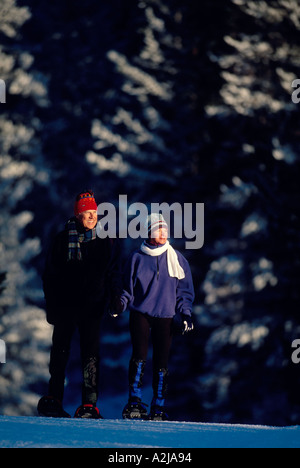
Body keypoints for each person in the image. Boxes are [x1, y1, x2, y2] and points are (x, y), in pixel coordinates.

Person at [37, 190, 121, 419]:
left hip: (92, 307)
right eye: (87, 212)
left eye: (94, 212)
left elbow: (113, 273)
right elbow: (50, 275)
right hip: (64, 306)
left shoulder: (105, 242)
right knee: (60, 353)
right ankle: (54, 398)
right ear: (77, 215)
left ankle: (89, 405)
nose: (92, 216)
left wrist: (115, 298)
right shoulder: (62, 240)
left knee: (91, 355)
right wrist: (51, 305)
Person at [117, 213, 195, 421]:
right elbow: (127, 290)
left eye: (165, 229)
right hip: (140, 313)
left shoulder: (177, 259)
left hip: (166, 315)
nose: (163, 232)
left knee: (162, 361)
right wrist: (119, 304)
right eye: (159, 229)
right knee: (139, 356)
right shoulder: (136, 258)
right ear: (149, 232)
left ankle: (158, 405)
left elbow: (184, 291)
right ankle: (134, 400)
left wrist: (186, 314)